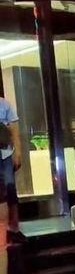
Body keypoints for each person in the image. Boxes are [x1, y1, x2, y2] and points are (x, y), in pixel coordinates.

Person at [0, 96, 23, 241]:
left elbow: (14, 131)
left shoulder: (4, 104)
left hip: (6, 154)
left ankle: (14, 227)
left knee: (10, 188)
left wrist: (18, 152)